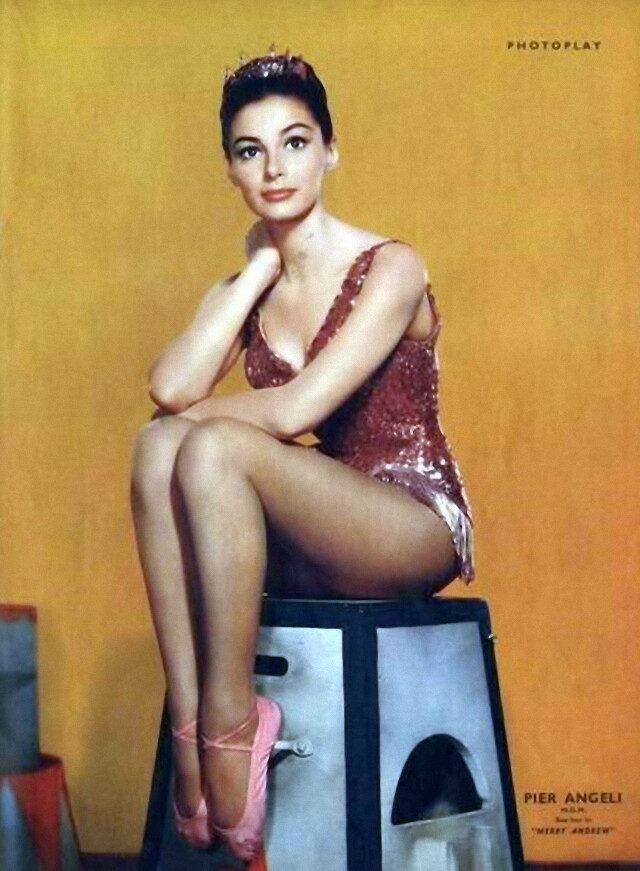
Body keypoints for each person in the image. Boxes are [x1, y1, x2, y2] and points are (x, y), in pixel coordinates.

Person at [129, 48, 474, 863]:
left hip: (409, 519)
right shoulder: (250, 284)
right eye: (250, 151)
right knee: (156, 449)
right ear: (231, 170)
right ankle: (193, 726)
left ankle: (231, 722)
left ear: (330, 149)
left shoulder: (393, 265)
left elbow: (297, 409)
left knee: (201, 443)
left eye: (295, 142)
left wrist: (187, 427)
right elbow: (168, 385)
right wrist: (258, 269)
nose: (275, 168)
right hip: (313, 526)